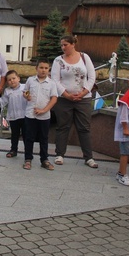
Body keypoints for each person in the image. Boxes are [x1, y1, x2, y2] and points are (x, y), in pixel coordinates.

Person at [51, 35, 98, 168]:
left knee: (84, 128)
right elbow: (55, 79)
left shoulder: (84, 57)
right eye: (62, 45)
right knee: (62, 126)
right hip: (64, 99)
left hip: (83, 99)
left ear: (73, 45)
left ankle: (88, 157)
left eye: (65, 44)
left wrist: (83, 92)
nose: (63, 47)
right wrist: (66, 94)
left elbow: (92, 76)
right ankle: (59, 154)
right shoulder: (58, 60)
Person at [22, 60, 58, 171]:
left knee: (44, 138)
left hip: (44, 116)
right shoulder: (30, 80)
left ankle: (44, 160)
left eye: (46, 68)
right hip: (30, 114)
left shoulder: (51, 83)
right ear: (36, 68)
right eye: (41, 67)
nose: (43, 70)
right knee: (29, 138)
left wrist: (44, 110)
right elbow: (25, 91)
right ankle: (28, 159)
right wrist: (27, 96)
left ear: (49, 70)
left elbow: (54, 98)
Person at [0, 70, 27, 158]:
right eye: (9, 80)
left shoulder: (25, 88)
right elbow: (3, 102)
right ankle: (13, 150)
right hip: (13, 116)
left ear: (18, 78)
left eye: (14, 78)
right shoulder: (7, 91)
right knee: (14, 134)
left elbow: (30, 98)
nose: (12, 81)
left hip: (25, 116)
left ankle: (28, 150)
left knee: (26, 134)